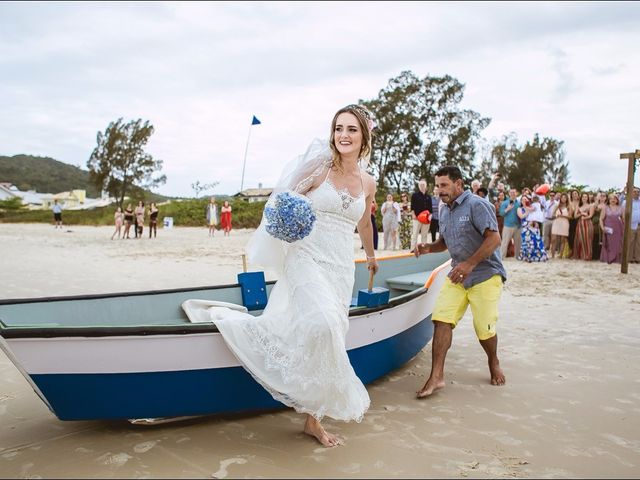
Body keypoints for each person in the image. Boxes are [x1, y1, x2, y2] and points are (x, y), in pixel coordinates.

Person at [201, 104, 378, 447]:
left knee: (332, 332)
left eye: (352, 129)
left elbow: (365, 222)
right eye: (339, 128)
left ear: (363, 137)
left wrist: (371, 256)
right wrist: (289, 218)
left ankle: (313, 420)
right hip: (306, 256)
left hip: (341, 264)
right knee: (324, 323)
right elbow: (281, 201)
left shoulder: (368, 182)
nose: (344, 135)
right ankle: (265, 350)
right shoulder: (319, 168)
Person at [413, 165, 506, 398]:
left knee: (483, 328)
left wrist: (470, 264)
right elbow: (444, 243)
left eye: (444, 185)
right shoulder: (444, 210)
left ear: (459, 184)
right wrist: (428, 248)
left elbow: (495, 238)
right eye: (437, 186)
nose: (439, 191)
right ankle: (436, 376)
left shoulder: (477, 204)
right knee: (441, 320)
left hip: (485, 273)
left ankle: (493, 361)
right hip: (457, 274)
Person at [516, 194, 548, 263]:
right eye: (523, 199)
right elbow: (521, 216)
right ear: (521, 201)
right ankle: (527, 257)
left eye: (526, 199)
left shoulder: (533, 206)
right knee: (526, 242)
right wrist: (527, 210)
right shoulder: (519, 209)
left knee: (536, 240)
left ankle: (539, 257)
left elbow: (536, 213)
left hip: (533, 226)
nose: (524, 200)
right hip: (525, 226)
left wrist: (535, 222)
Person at [600, 193, 624, 264]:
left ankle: (616, 259)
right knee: (608, 244)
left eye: (615, 198)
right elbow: (601, 219)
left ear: (617, 200)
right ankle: (608, 259)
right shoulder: (605, 207)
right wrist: (602, 227)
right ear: (609, 200)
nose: (613, 200)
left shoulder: (621, 208)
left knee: (617, 244)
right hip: (608, 228)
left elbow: (624, 219)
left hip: (618, 229)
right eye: (611, 198)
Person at [499, 188, 522, 259]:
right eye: (511, 192)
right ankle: (501, 257)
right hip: (508, 226)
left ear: (516, 193)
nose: (513, 194)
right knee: (504, 243)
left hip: (518, 226)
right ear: (509, 194)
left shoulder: (519, 203)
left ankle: (517, 257)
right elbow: (501, 213)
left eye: (514, 192)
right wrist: (507, 209)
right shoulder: (505, 203)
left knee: (518, 243)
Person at [410, 179, 433, 250]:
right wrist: (413, 215)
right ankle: (413, 250)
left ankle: (423, 249)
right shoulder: (414, 195)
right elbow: (412, 206)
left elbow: (430, 209)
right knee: (415, 235)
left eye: (423, 185)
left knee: (424, 235)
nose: (422, 186)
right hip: (417, 218)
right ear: (419, 186)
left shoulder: (429, 197)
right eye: (420, 185)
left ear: (425, 186)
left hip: (426, 219)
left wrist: (430, 217)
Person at [573, 193, 595, 260]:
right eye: (583, 197)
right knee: (579, 239)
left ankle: (587, 255)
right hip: (580, 224)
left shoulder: (591, 206)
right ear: (581, 198)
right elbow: (575, 216)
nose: (584, 198)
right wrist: (581, 213)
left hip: (588, 224)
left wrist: (585, 218)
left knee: (587, 239)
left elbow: (591, 215)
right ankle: (579, 255)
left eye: (586, 197)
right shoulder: (578, 206)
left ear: (588, 198)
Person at [621, 186, 640, 263]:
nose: (637, 193)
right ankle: (629, 258)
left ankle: (637, 258)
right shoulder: (626, 202)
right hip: (630, 224)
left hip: (639, 224)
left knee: (638, 242)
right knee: (630, 242)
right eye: (635, 192)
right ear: (631, 193)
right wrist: (625, 223)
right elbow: (623, 213)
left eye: (638, 192)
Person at [551, 193, 571, 259]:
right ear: (560, 198)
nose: (563, 199)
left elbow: (570, 216)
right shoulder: (557, 205)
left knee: (563, 240)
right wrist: (556, 215)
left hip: (565, 223)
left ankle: (560, 255)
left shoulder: (568, 206)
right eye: (562, 197)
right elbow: (552, 215)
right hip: (556, 222)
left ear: (567, 199)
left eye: (565, 198)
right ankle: (552, 255)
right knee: (553, 239)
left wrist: (562, 216)